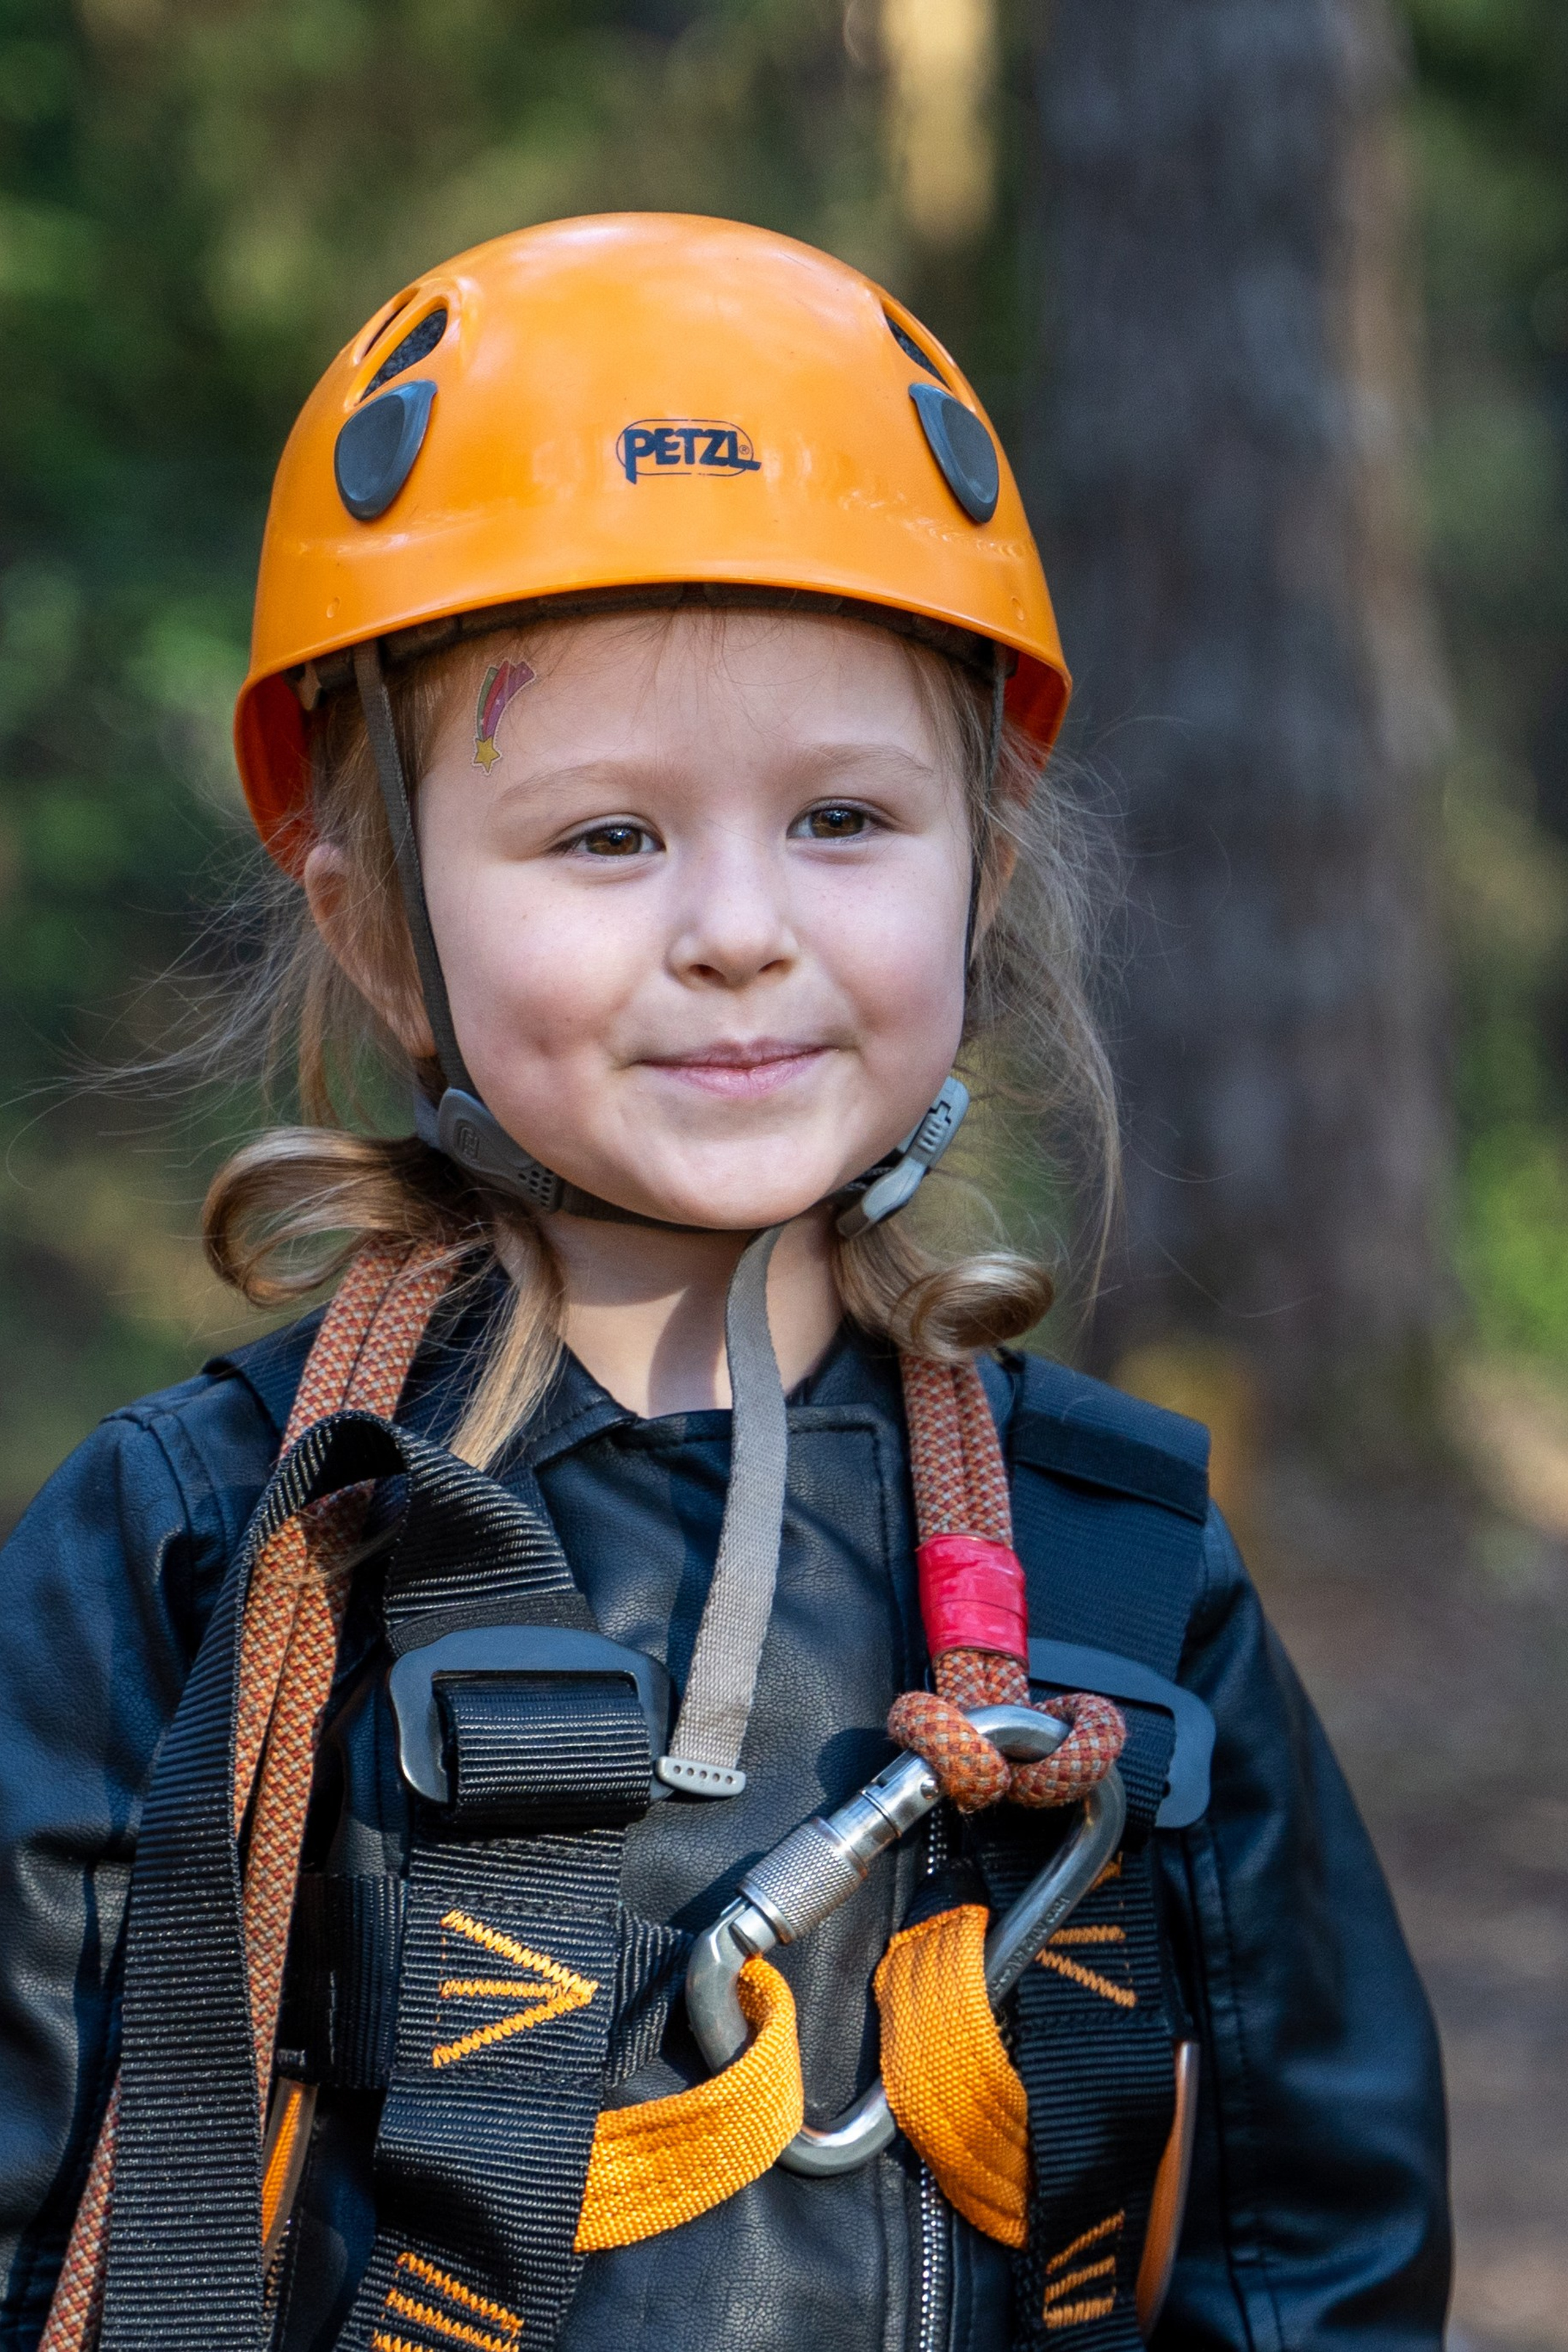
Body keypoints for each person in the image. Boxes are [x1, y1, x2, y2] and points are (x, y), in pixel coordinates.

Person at [0, 216, 1447, 2352]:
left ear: (986, 875)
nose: (740, 930)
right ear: (386, 929)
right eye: (608, 839)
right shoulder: (216, 1563)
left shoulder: (1111, 1584)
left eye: (846, 818)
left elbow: (1312, 2245)